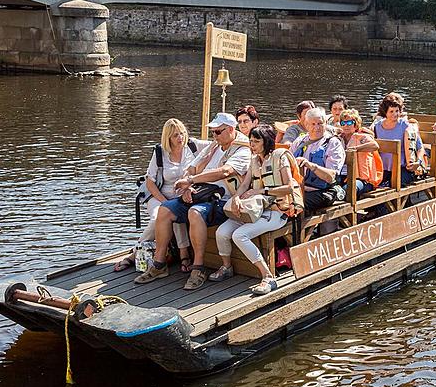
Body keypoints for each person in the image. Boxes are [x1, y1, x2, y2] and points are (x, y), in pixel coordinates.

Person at [135, 112, 250, 289]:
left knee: (195, 212)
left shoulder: (242, 150)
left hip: (221, 199)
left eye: (218, 132)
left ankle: (198, 267)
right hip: (200, 193)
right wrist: (188, 186)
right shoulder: (214, 146)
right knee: (165, 209)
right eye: (213, 132)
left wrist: (191, 181)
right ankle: (159, 264)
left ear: (230, 130)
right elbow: (192, 167)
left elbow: (225, 171)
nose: (214, 135)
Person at [213, 124, 303, 294]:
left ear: (266, 142)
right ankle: (227, 267)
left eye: (256, 141)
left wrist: (262, 191)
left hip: (277, 211)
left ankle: (268, 276)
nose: (252, 145)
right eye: (250, 141)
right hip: (256, 209)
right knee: (222, 232)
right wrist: (237, 198)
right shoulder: (254, 160)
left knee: (239, 235)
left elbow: (290, 187)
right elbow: (246, 184)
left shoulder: (279, 157)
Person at [114, 119, 208, 272]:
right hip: (159, 195)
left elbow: (216, 144)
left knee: (177, 210)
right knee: (158, 217)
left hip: (181, 195)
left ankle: (184, 253)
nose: (180, 138)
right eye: (176, 135)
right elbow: (150, 182)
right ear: (168, 138)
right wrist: (164, 202)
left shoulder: (192, 145)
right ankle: (135, 252)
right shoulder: (160, 152)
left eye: (182, 134)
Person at [290, 108, 345, 217]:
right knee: (278, 201)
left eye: (320, 123)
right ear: (306, 125)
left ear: (325, 124)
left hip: (323, 191)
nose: (317, 127)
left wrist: (310, 165)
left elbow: (331, 177)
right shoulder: (299, 141)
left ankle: (300, 233)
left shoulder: (333, 143)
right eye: (313, 124)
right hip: (299, 189)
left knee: (296, 204)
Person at [373, 94, 426, 187]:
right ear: (385, 112)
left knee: (394, 184)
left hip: (403, 168)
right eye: (391, 111)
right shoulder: (377, 127)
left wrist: (418, 162)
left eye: (397, 111)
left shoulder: (406, 126)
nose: (395, 114)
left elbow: (420, 148)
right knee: (374, 185)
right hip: (383, 169)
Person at [337, 109, 380, 198]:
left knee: (348, 189)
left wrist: (356, 149)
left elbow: (375, 145)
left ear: (355, 124)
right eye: (343, 123)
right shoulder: (338, 139)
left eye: (349, 123)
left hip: (362, 180)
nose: (346, 126)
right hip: (342, 175)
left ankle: (350, 210)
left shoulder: (361, 137)